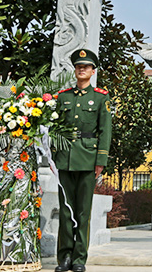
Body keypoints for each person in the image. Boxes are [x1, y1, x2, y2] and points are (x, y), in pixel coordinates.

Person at [53, 48, 112, 272]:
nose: (81, 69)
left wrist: (101, 160)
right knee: (66, 210)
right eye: (78, 66)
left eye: (86, 67)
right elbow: (55, 127)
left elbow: (105, 130)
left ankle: (79, 258)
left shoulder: (100, 97)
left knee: (83, 212)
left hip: (88, 158)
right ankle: (64, 257)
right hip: (64, 158)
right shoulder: (63, 97)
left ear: (92, 71)